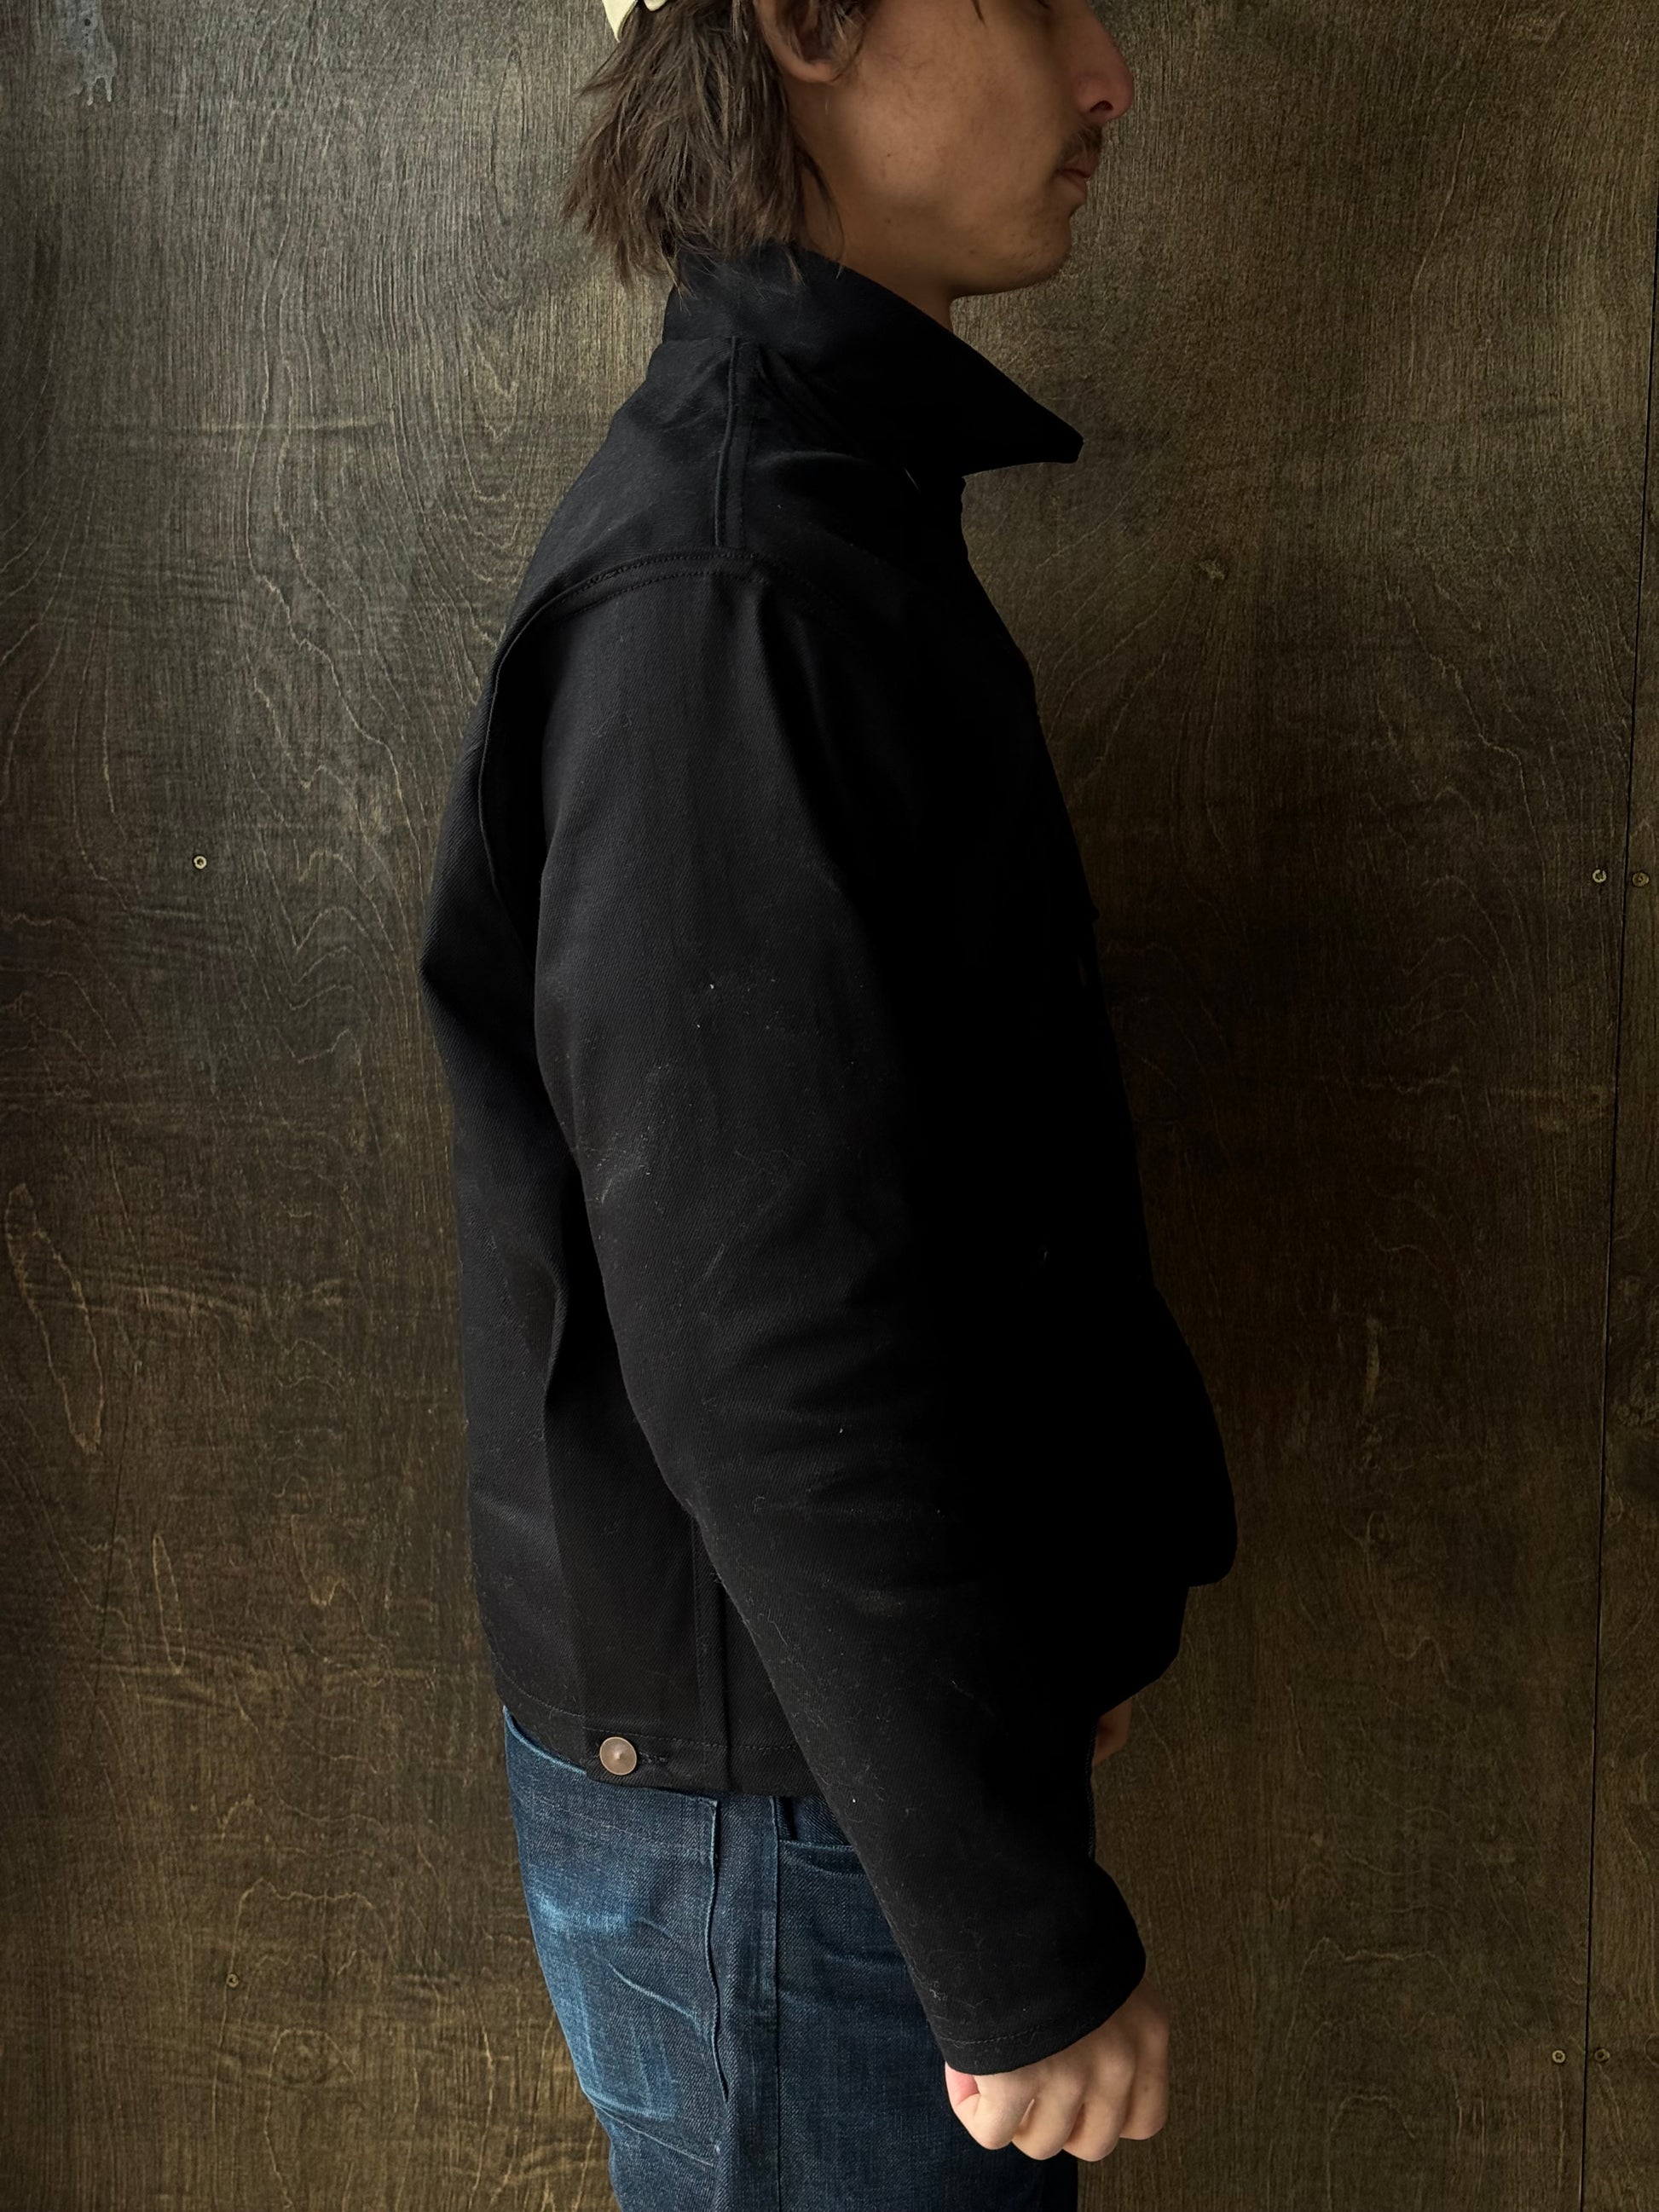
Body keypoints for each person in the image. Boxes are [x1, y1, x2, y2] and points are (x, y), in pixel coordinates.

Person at [416, 0, 1238, 2200]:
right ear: (799, 24)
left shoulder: (817, 524)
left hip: (829, 1794)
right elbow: (763, 1339)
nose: (1107, 75)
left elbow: (922, 1179)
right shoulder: (729, 588)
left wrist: (1063, 1605)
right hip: (793, 1848)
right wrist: (1004, 1938)